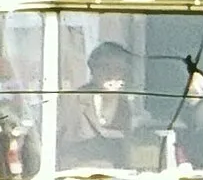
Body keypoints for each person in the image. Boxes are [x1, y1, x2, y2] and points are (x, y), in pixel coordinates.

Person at [60, 42, 145, 171]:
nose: (113, 75)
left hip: (115, 177)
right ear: (93, 70)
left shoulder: (124, 106)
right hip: (76, 176)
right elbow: (58, 142)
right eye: (106, 68)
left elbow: (125, 149)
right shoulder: (74, 99)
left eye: (119, 69)